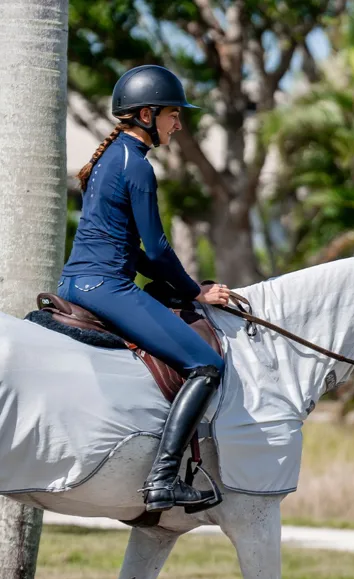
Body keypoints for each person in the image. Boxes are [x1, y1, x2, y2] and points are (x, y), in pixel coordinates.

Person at [58, 65, 230, 513]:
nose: (179, 124)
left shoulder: (111, 157)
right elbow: (154, 248)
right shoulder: (137, 165)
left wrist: (164, 286)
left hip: (75, 281)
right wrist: (196, 292)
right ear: (148, 115)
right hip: (106, 286)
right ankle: (163, 479)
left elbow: (123, 244)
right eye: (175, 114)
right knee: (207, 364)